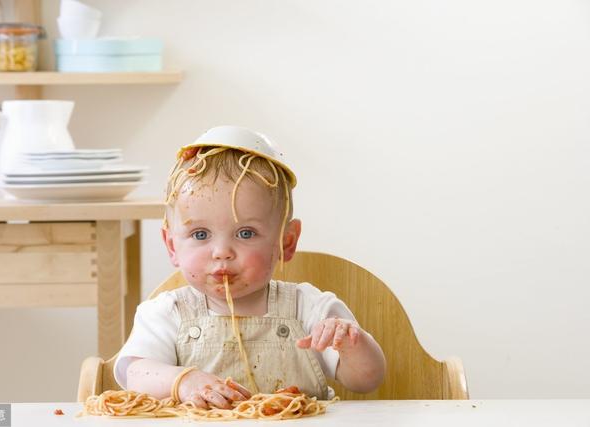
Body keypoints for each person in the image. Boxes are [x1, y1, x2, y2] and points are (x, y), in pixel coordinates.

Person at [114, 125, 386, 409]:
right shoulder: (168, 314)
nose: (221, 253)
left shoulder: (310, 310)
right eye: (200, 234)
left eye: (245, 233)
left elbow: (366, 381)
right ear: (172, 246)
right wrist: (183, 381)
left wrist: (352, 345)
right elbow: (134, 373)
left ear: (286, 242)